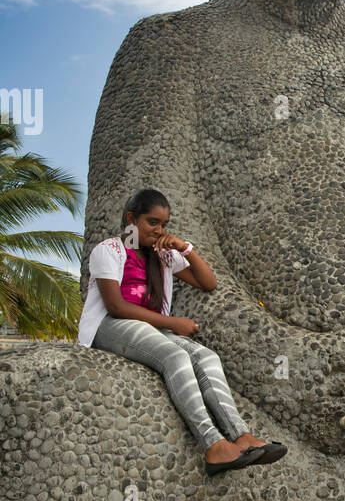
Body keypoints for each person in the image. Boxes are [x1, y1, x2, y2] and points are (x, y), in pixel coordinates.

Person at [77, 188, 287, 476]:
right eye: (152, 222)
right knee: (175, 357)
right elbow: (115, 306)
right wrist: (173, 323)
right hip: (109, 327)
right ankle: (213, 444)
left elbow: (208, 282)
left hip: (148, 327)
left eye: (164, 224)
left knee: (207, 356)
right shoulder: (109, 250)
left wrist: (183, 248)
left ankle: (241, 435)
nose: (159, 230)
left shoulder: (161, 256)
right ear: (131, 219)